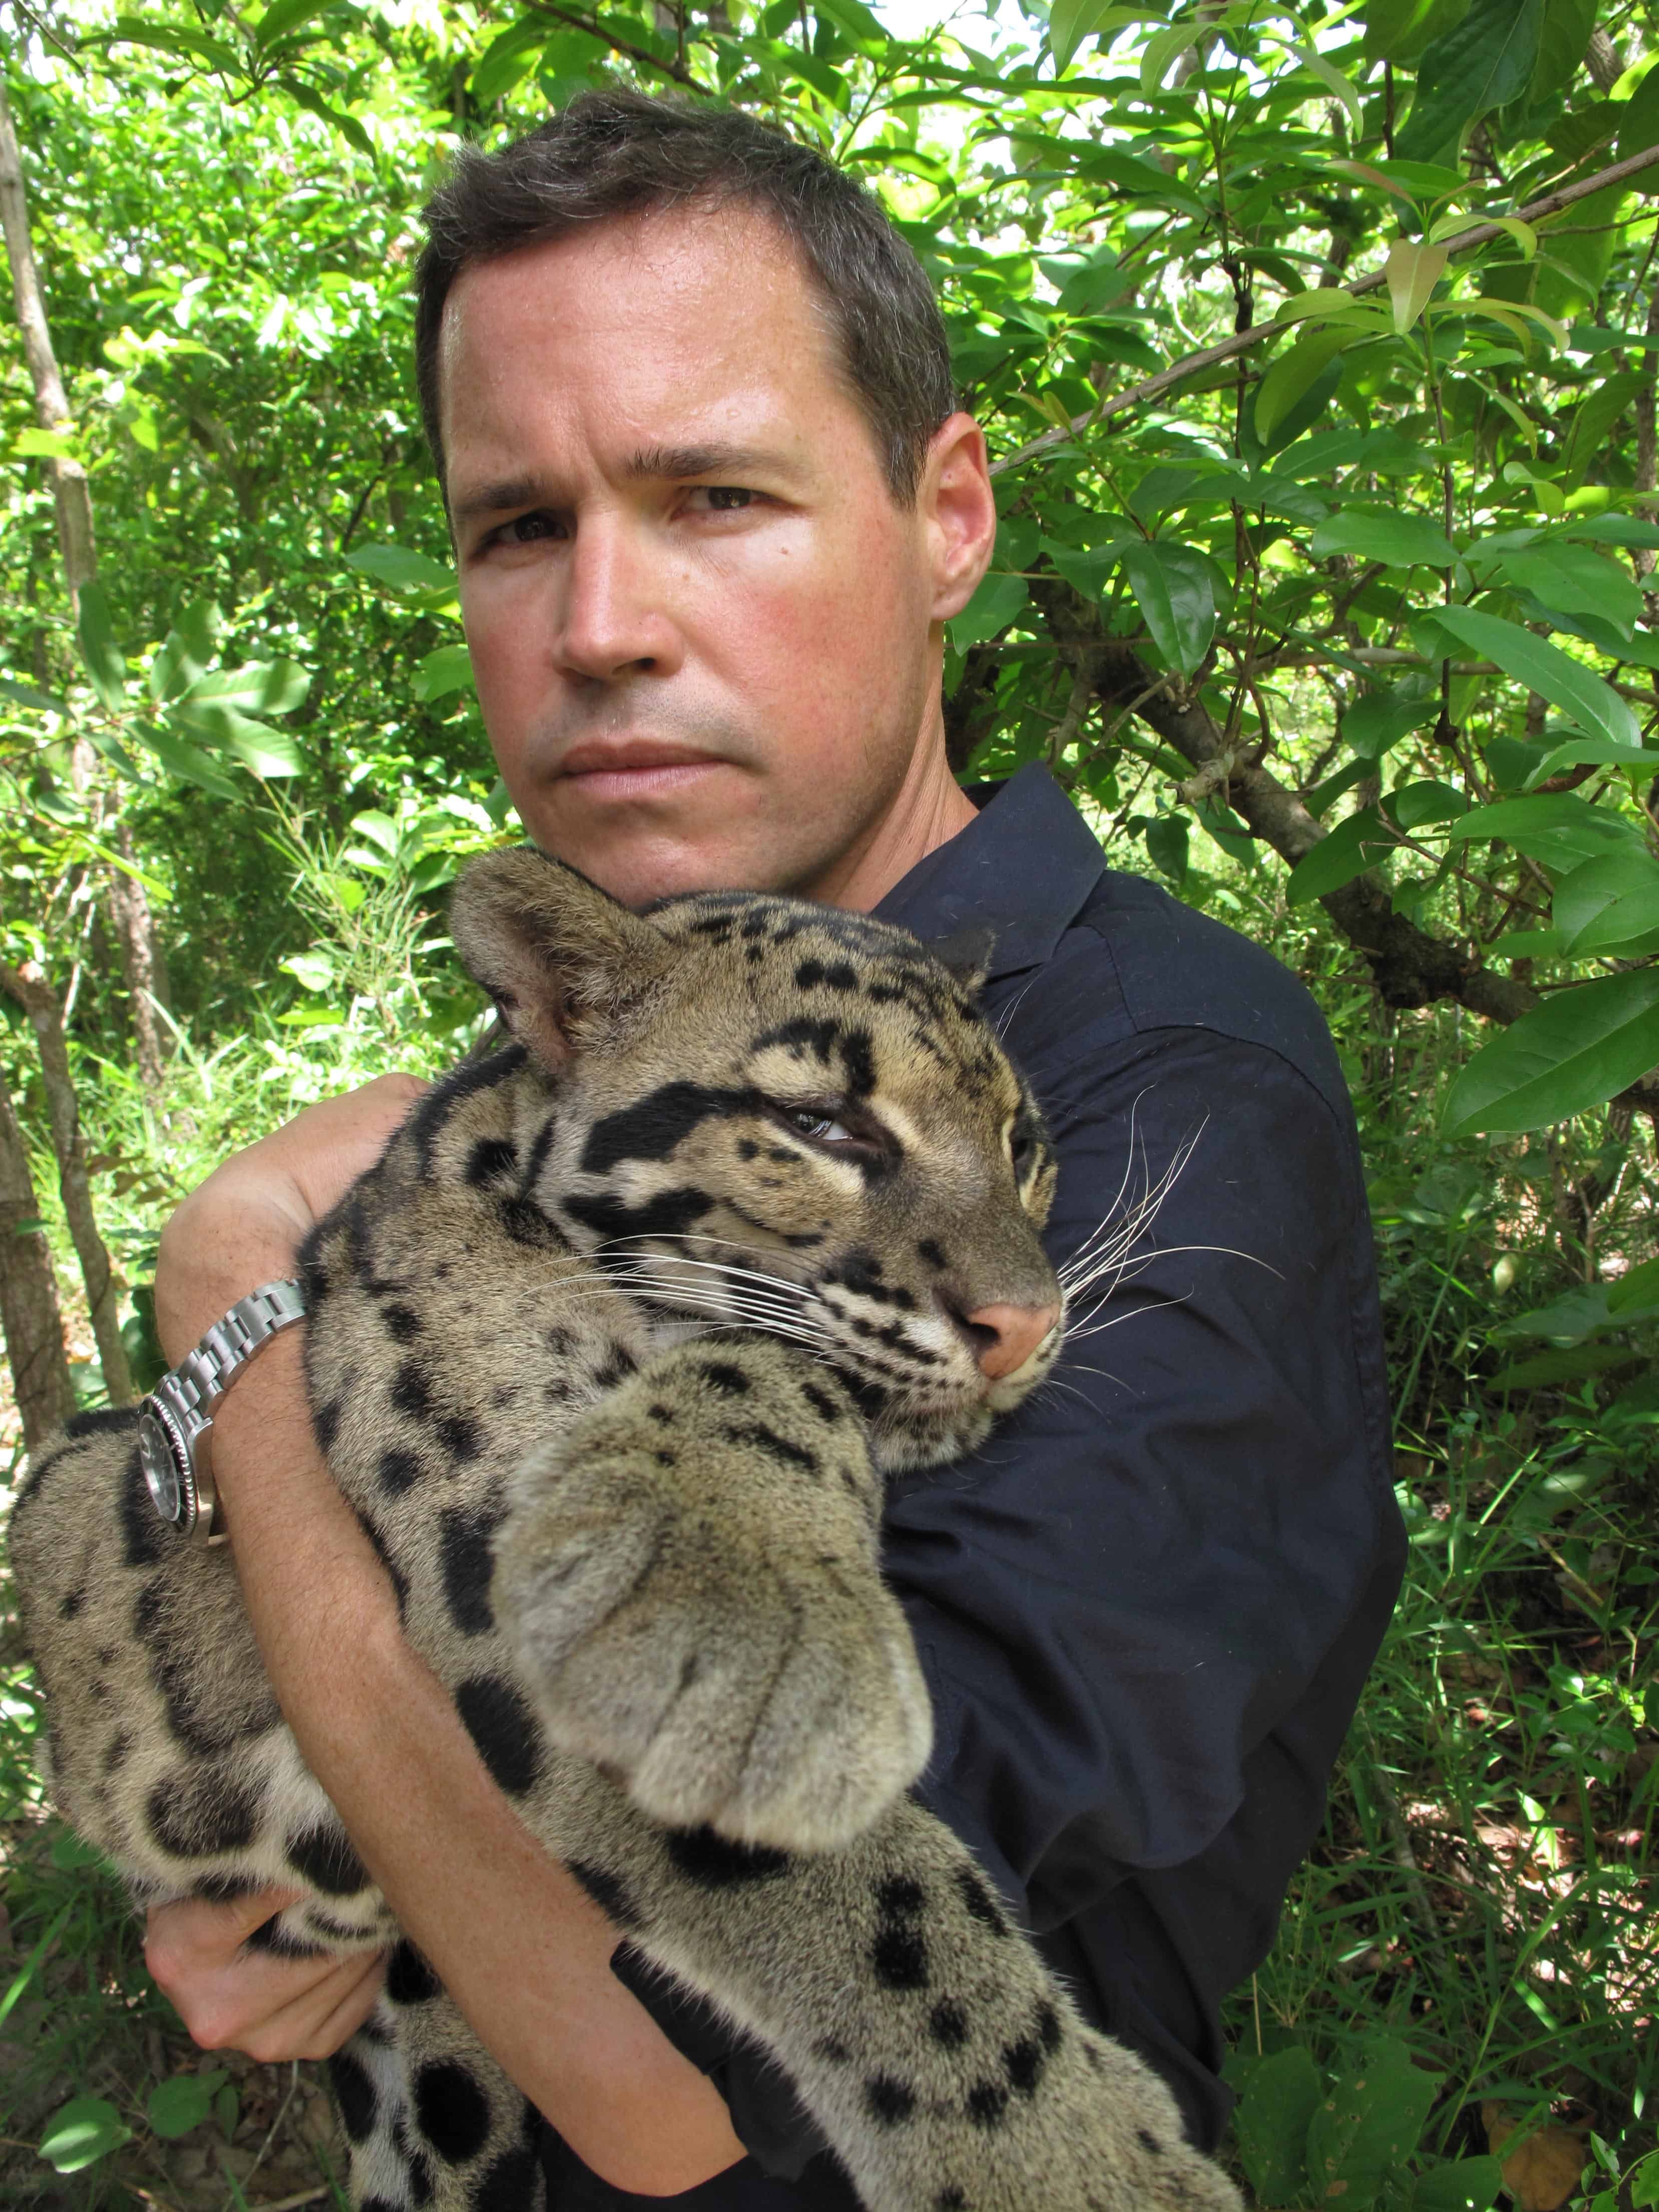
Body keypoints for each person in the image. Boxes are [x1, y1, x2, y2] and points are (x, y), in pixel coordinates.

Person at [141, 92, 1404, 2208]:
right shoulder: (623, 1047)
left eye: (713, 493)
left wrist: (238, 1315)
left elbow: (665, 2058)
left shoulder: (1163, 1083)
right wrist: (301, 1857)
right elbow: (380, 1732)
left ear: (948, 517)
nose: (600, 625)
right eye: (515, 526)